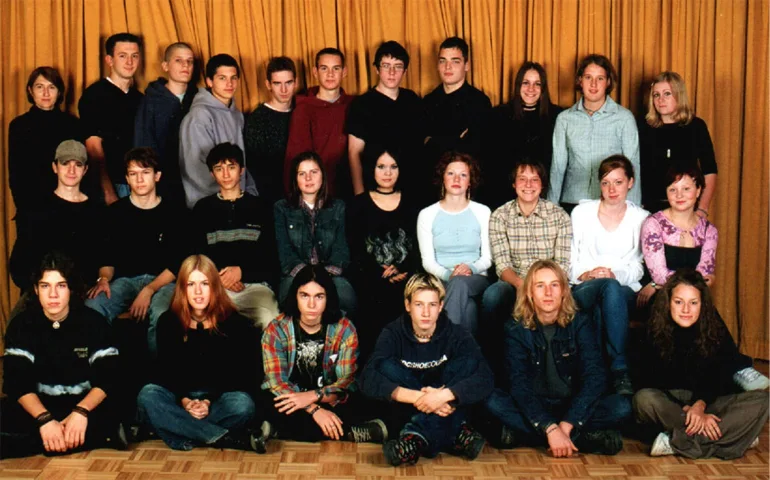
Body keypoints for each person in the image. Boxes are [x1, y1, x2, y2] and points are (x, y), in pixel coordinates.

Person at [639, 163, 768, 391]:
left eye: (686, 189)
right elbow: (659, 274)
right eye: (673, 189)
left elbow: (705, 275)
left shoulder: (709, 230)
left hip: (690, 295)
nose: (679, 195)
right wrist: (662, 284)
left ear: (699, 190)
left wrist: (695, 282)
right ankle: (738, 367)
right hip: (661, 296)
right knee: (689, 301)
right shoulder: (653, 223)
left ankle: (726, 377)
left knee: (701, 305)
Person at [484, 260, 631, 457]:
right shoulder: (515, 329)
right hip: (535, 405)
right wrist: (550, 427)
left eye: (554, 285)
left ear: (563, 291)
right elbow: (519, 386)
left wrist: (567, 423)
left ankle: (532, 436)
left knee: (621, 407)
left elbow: (594, 376)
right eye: (540, 286)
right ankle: (580, 438)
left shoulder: (580, 323)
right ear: (530, 293)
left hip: (570, 405)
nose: (548, 292)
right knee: (493, 400)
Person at [359, 273, 493, 466]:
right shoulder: (392, 333)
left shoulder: (457, 334)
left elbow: (485, 376)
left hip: (443, 400)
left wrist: (443, 396)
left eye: (432, 305)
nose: (426, 313)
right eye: (419, 304)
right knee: (385, 366)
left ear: (441, 306)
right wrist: (420, 398)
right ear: (408, 306)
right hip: (410, 406)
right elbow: (367, 378)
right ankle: (457, 433)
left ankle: (415, 439)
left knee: (470, 363)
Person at [633, 269, 768, 459]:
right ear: (668, 302)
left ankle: (679, 442)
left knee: (762, 400)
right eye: (678, 302)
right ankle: (734, 438)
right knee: (643, 399)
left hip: (706, 402)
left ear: (702, 304)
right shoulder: (653, 328)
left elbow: (721, 376)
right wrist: (688, 410)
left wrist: (700, 405)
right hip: (671, 406)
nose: (686, 310)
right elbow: (646, 380)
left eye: (693, 303)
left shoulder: (713, 326)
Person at [1, 252, 124, 459]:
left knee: (115, 407)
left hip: (84, 408)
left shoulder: (93, 323)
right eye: (45, 286)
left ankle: (40, 442)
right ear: (36, 290)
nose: (53, 294)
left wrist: (81, 412)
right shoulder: (22, 325)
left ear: (71, 289)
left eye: (61, 285)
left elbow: (109, 378)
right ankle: (90, 438)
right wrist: (44, 420)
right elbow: (16, 384)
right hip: (38, 409)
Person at [137, 254, 262, 452]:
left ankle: (173, 429)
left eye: (204, 284)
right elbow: (166, 372)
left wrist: (207, 402)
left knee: (243, 405)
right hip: (180, 398)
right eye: (191, 284)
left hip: (218, 399)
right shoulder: (168, 322)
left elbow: (238, 376)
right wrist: (186, 402)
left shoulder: (235, 323)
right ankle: (223, 438)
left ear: (215, 287)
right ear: (182, 289)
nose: (198, 292)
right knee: (148, 396)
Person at [257, 265, 387, 449]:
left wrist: (314, 397)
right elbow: (277, 382)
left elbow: (345, 382)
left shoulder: (344, 328)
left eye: (319, 296)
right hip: (293, 400)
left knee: (360, 398)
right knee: (270, 402)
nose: (311, 305)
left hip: (329, 398)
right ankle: (350, 432)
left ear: (328, 298)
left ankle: (278, 429)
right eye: (304, 296)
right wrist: (313, 409)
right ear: (295, 296)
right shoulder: (277, 329)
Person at [86, 147, 190, 355]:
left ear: (157, 176)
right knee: (93, 306)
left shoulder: (175, 212)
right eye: (133, 174)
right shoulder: (115, 213)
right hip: (125, 281)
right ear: (127, 178)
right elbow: (107, 258)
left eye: (145, 172)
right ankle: (103, 364)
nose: (139, 179)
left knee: (161, 314)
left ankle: (158, 371)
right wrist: (103, 279)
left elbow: (176, 264)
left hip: (163, 282)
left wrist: (149, 290)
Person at [480, 158, 571, 382]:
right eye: (522, 179)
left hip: (549, 282)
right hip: (515, 282)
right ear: (514, 184)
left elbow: (561, 264)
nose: (528, 185)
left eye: (534, 179)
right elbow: (502, 265)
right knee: (493, 295)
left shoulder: (559, 216)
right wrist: (524, 286)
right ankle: (490, 365)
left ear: (542, 185)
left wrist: (541, 287)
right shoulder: (500, 216)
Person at [569, 155, 649, 395]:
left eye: (618, 182)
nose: (612, 189)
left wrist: (613, 274)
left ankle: (594, 377)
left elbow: (638, 266)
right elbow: (569, 259)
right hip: (584, 285)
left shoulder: (642, 218)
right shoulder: (581, 213)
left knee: (607, 295)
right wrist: (587, 274)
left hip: (623, 289)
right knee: (604, 291)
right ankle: (619, 370)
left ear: (630, 182)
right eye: (606, 183)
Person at [9, 141, 105, 314]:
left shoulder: (95, 211)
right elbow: (20, 261)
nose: (71, 170)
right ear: (55, 167)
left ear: (85, 170)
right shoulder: (37, 208)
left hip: (79, 293)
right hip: (41, 293)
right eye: (65, 163)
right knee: (17, 327)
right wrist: (40, 289)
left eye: (78, 164)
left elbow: (100, 257)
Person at [192, 142, 279, 329]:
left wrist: (242, 272)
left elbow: (271, 257)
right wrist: (220, 279)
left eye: (231, 167)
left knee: (270, 318)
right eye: (219, 169)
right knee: (198, 321)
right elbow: (197, 255)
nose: (225, 174)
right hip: (213, 287)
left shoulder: (261, 207)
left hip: (254, 287)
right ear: (212, 174)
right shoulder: (202, 208)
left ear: (241, 170)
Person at [346, 144, 421, 359]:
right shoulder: (358, 205)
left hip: (407, 276)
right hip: (370, 278)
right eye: (381, 167)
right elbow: (355, 249)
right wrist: (379, 272)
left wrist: (402, 270)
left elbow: (418, 248)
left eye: (393, 167)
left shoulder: (413, 204)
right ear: (371, 168)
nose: (387, 173)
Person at [549, 54, 640, 213]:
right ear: (580, 80)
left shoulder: (624, 118)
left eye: (600, 78)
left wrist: (633, 210)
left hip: (611, 203)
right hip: (572, 202)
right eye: (588, 77)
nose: (593, 84)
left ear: (608, 82)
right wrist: (552, 207)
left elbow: (632, 166)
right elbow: (557, 166)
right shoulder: (564, 119)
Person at [416, 151, 491, 334]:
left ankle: (442, 343)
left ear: (470, 181)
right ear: (443, 178)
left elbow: (488, 258)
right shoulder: (427, 214)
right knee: (469, 308)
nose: (457, 179)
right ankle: (466, 351)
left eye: (463, 175)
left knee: (459, 284)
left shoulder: (483, 212)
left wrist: (470, 268)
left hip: (476, 277)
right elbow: (428, 262)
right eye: (451, 173)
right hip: (440, 279)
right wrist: (449, 274)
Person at [274, 152, 356, 317]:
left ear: (322, 176)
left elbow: (341, 250)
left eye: (314, 172)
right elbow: (285, 253)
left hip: (331, 276)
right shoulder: (282, 208)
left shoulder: (338, 207)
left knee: (347, 299)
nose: (308, 178)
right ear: (295, 179)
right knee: (290, 301)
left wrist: (322, 277)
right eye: (302, 173)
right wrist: (307, 277)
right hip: (294, 276)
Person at [347, 41, 426, 197]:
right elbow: (354, 152)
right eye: (386, 66)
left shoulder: (412, 99)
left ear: (405, 71)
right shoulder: (362, 104)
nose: (392, 72)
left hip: (413, 187)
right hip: (377, 190)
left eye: (397, 66)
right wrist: (360, 195)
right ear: (377, 69)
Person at [179, 53, 257, 209]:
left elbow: (242, 162)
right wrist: (225, 199)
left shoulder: (237, 115)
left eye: (233, 78)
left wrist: (248, 194)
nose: (229, 83)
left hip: (237, 200)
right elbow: (195, 168)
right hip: (211, 204)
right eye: (222, 78)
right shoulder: (199, 116)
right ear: (209, 81)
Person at [483, 62, 563, 209]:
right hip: (504, 196)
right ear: (518, 85)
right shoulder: (498, 115)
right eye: (526, 83)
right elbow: (491, 162)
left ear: (543, 88)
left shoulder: (557, 116)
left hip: (543, 197)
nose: (531, 89)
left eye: (537, 84)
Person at [639, 71, 718, 215]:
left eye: (667, 94)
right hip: (648, 209)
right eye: (656, 95)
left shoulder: (696, 127)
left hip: (685, 209)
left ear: (679, 95)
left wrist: (702, 209)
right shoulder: (643, 127)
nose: (661, 100)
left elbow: (710, 171)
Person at [79, 32, 144, 204]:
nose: (129, 62)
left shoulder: (140, 99)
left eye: (134, 56)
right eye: (122, 56)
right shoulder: (94, 95)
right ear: (109, 60)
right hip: (111, 185)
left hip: (137, 184)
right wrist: (108, 192)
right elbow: (93, 147)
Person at [9, 66, 84, 215]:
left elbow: (80, 169)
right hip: (31, 206)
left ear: (59, 92)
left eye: (51, 87)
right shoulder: (19, 125)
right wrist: (25, 209)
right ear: (30, 91)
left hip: (67, 205)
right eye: (39, 87)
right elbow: (16, 173)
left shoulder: (72, 125)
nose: (46, 93)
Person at [134, 42, 198, 206]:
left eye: (189, 61)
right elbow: (143, 145)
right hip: (164, 184)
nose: (185, 66)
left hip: (197, 182)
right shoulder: (151, 102)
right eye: (178, 60)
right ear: (165, 66)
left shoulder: (199, 99)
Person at [284, 48, 353, 197]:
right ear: (315, 72)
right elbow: (296, 158)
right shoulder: (303, 109)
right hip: (316, 193)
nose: (330, 74)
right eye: (324, 68)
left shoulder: (354, 106)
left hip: (349, 190)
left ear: (344, 72)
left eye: (336, 68)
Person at [423, 37, 492, 165]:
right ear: (437, 65)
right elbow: (422, 152)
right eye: (443, 61)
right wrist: (457, 140)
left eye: (455, 61)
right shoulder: (428, 101)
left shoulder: (479, 102)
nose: (447, 67)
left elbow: (477, 153)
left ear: (466, 65)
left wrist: (435, 141)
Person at [243, 56, 297, 206]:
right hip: (272, 200)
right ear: (268, 85)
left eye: (288, 83)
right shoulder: (257, 119)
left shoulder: (301, 112)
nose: (284, 90)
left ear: (296, 83)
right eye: (277, 83)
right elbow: (256, 169)